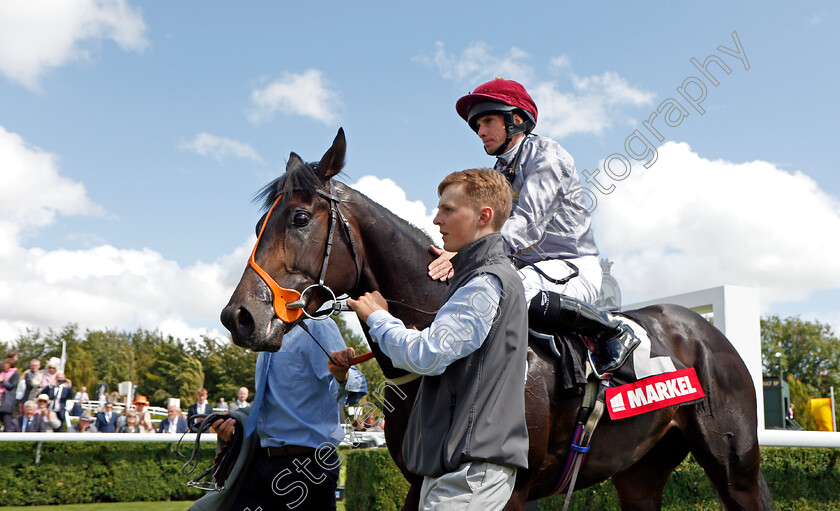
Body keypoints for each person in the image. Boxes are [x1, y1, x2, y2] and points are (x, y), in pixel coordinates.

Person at [427, 78, 639, 375]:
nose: (481, 132)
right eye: (477, 126)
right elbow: (486, 227)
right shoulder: (498, 171)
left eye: (487, 121)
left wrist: (466, 255)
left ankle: (611, 330)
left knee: (511, 291)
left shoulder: (548, 156)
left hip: (571, 265)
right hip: (527, 268)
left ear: (516, 120)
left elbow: (527, 224)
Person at [350, 169, 530, 510]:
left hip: (469, 472)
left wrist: (377, 317)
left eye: (448, 210)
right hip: (461, 470)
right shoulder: (482, 278)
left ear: (483, 216)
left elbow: (426, 356)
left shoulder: (484, 282)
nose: (436, 219)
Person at [193, 319, 367, 511]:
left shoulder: (319, 326)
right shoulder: (268, 330)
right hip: (262, 463)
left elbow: (354, 391)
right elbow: (273, 404)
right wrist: (238, 422)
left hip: (309, 467)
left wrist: (344, 376)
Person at [0, 355, 20, 431]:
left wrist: (2, 381)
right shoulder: (2, 372)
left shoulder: (15, 374)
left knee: (7, 424)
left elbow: (12, 386)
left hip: (7, 402)